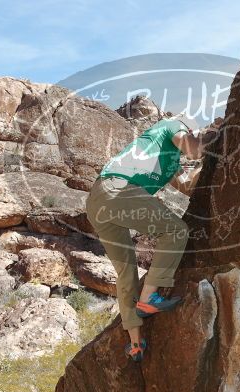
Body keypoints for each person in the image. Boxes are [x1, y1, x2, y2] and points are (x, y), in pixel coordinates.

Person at [86, 113, 209, 361]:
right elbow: (191, 147)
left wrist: (202, 168)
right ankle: (148, 298)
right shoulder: (171, 127)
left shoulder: (170, 161)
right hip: (117, 188)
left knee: (127, 271)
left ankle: (135, 343)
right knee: (176, 230)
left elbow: (188, 187)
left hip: (100, 201)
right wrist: (207, 139)